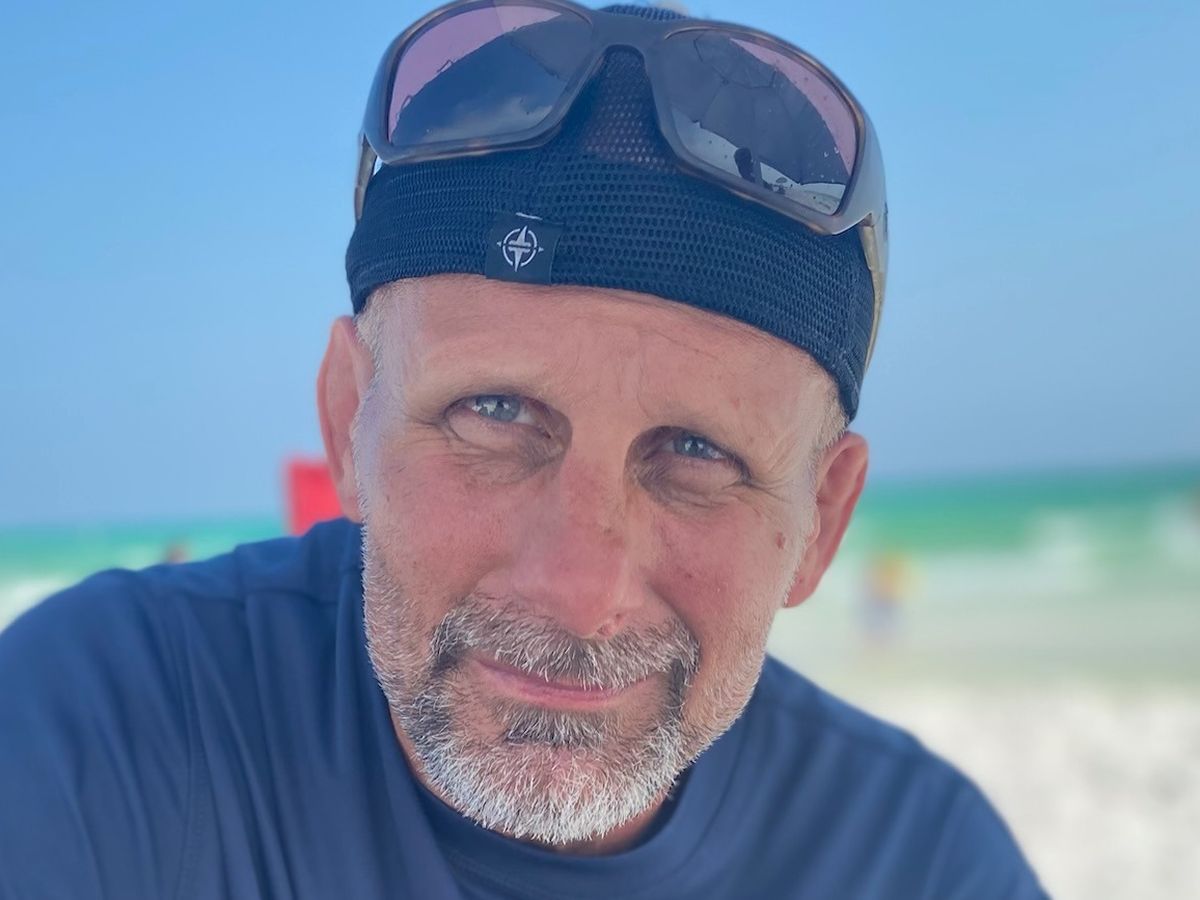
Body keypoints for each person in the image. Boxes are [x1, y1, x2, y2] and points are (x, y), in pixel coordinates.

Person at [0, 3, 1048, 898]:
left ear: (819, 523)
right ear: (349, 421)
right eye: (494, 413)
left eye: (696, 452)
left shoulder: (923, 867)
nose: (580, 592)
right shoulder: (99, 737)